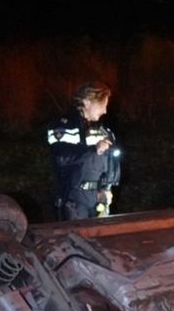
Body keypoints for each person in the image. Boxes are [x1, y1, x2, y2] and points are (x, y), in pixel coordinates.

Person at [46, 81, 123, 220]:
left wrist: (107, 189)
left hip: (99, 199)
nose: (105, 111)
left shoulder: (104, 130)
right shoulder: (64, 125)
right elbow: (62, 158)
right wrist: (93, 149)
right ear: (87, 102)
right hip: (74, 199)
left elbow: (112, 163)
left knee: (102, 239)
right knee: (78, 240)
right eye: (102, 105)